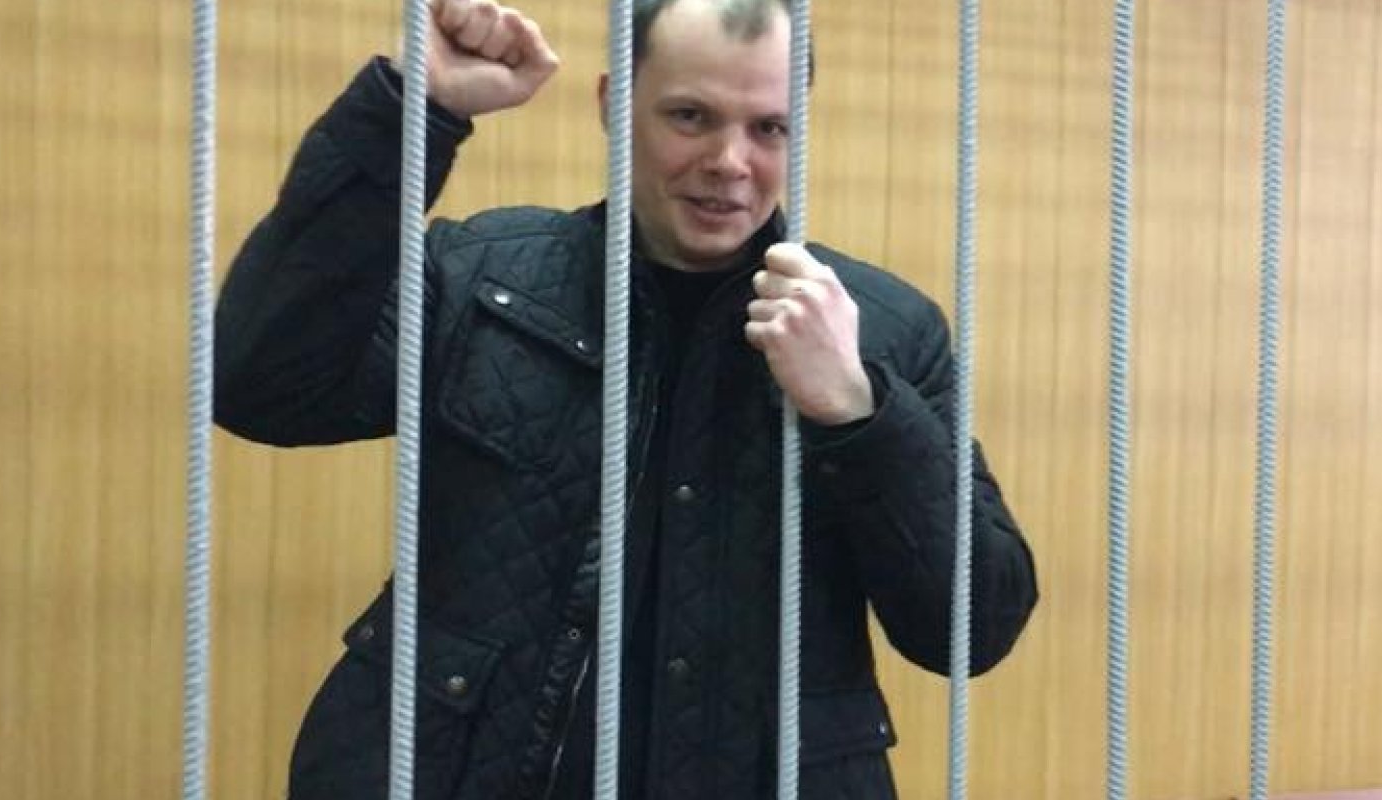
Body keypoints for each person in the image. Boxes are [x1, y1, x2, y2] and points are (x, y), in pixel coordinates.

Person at [212, 0, 1039, 797]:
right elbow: (260, 385)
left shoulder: (881, 332)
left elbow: (973, 628)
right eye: (690, 116)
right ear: (616, 104)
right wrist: (409, 111)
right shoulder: (481, 277)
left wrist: (858, 410)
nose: (730, 161)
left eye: (769, 128)